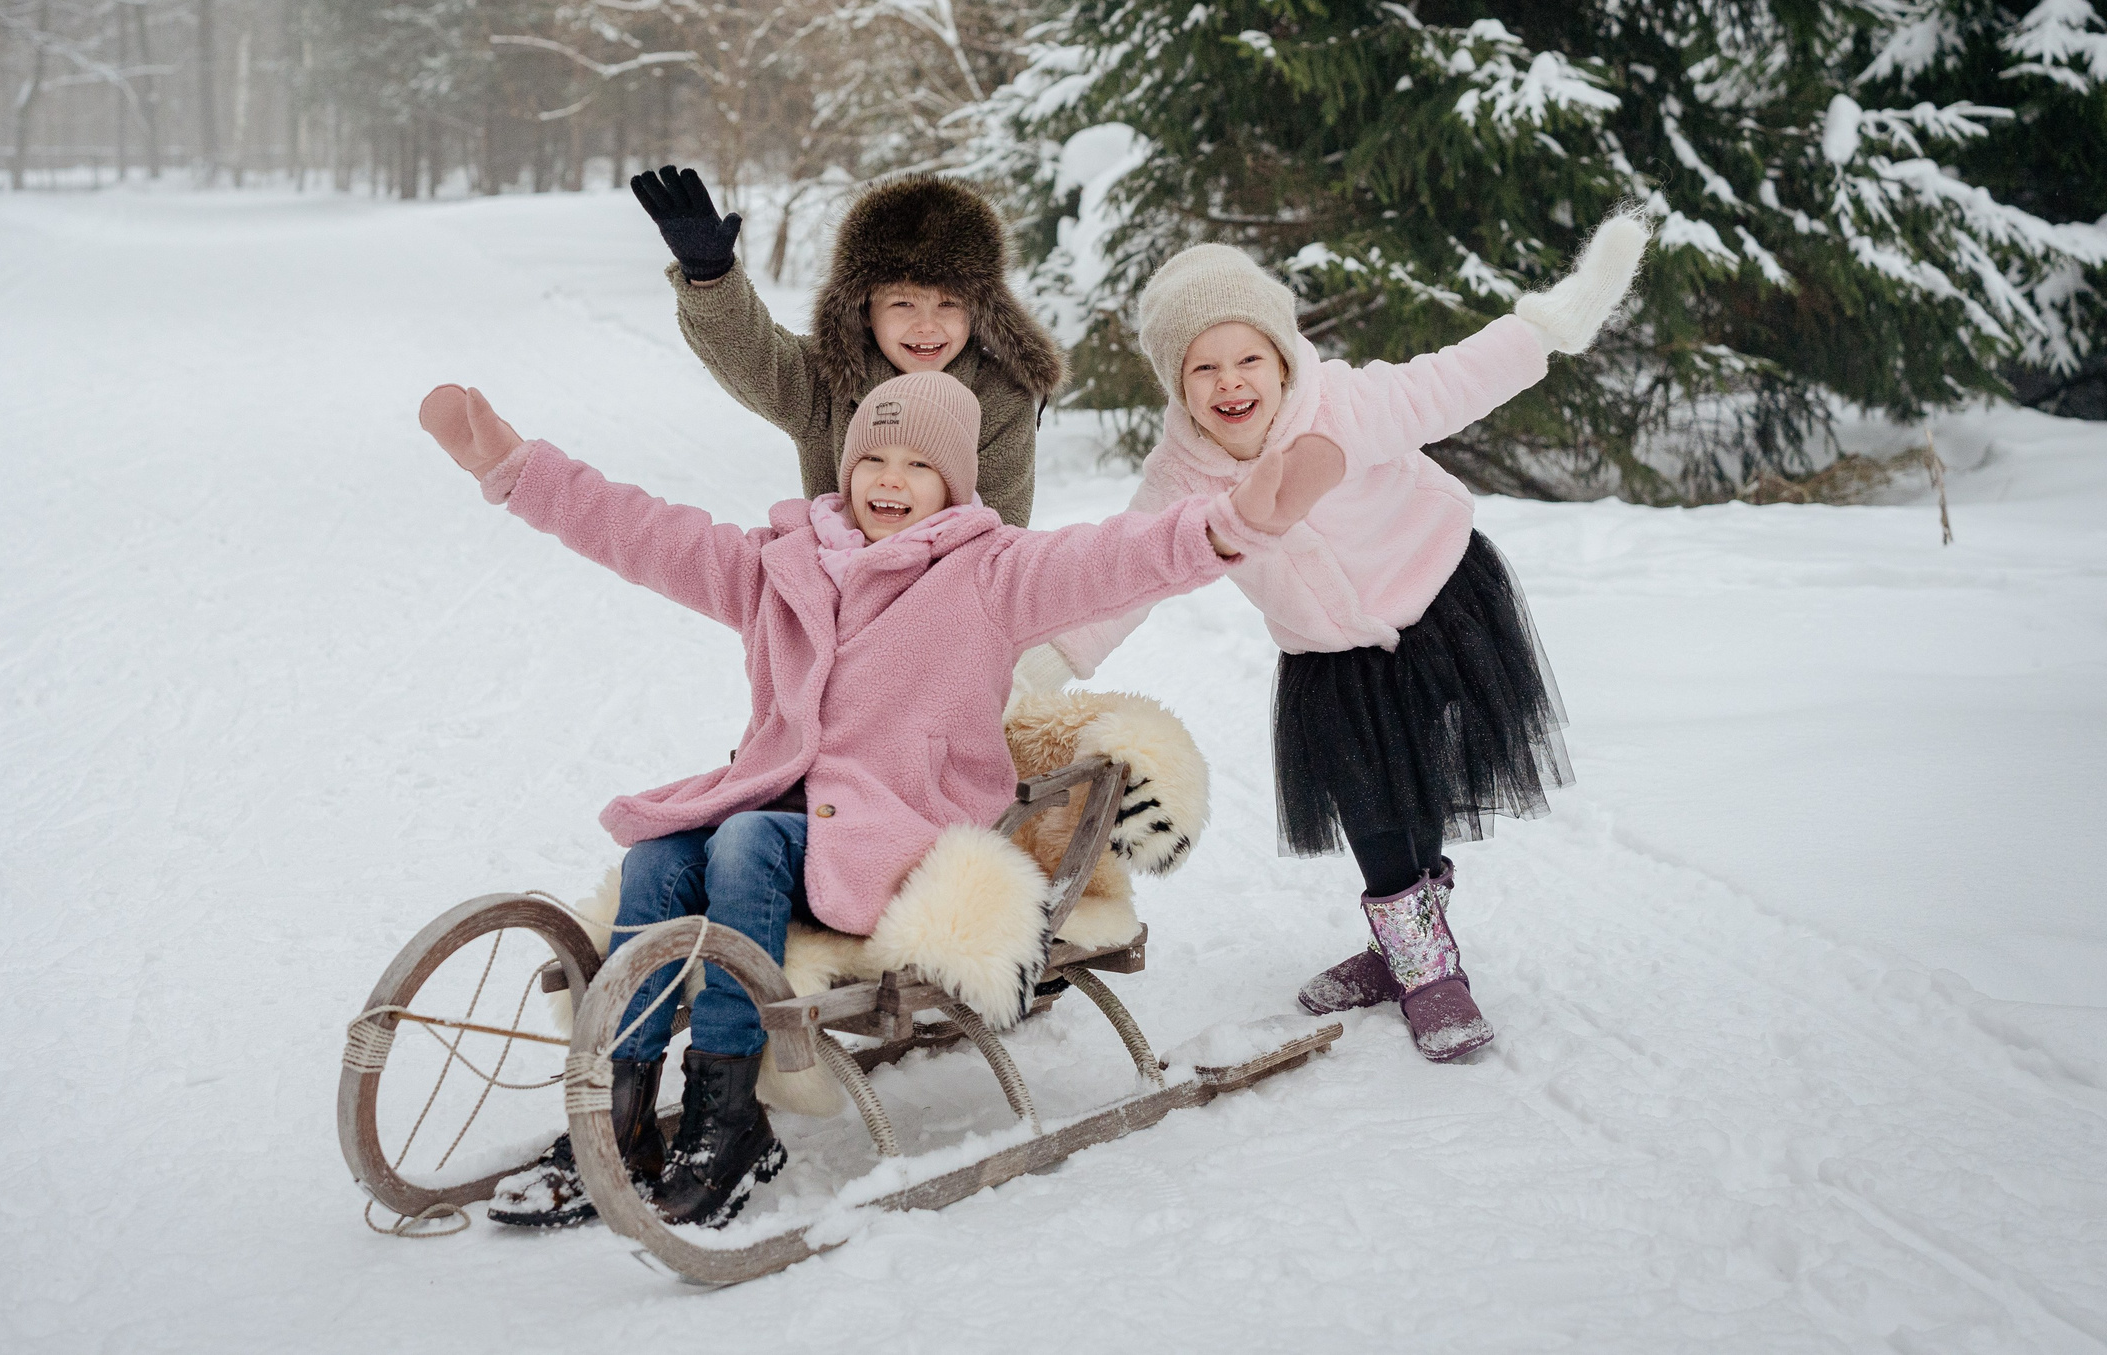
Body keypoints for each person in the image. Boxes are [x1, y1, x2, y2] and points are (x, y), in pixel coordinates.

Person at [416, 368, 1340, 1226]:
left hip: (899, 839)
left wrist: (1228, 525)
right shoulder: (780, 564)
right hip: (784, 822)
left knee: (739, 846)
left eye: (917, 466)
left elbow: (1111, 559)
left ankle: (730, 1112)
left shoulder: (989, 575)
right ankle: (615, 1113)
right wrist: (515, 468)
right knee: (659, 855)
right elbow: (644, 532)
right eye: (873, 460)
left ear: (955, 485)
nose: (889, 481)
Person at [1025, 216, 1649, 1061]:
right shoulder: (1183, 473)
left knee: (1420, 784)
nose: (1230, 382)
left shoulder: (1345, 405)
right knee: (1371, 804)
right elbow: (1136, 569)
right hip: (1329, 651)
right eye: (1202, 367)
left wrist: (1548, 325)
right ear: (1178, 385)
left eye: (1248, 357)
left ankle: (1426, 967)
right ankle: (1411, 953)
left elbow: (1452, 381)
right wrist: (1051, 658)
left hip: (1438, 601)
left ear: (1282, 358)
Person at [628, 165, 1062, 528]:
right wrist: (711, 275)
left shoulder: (1002, 396)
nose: (926, 326)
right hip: (832, 604)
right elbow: (750, 352)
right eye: (902, 302)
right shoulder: (828, 382)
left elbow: (999, 538)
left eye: (949, 303)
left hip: (949, 614)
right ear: (863, 308)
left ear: (981, 309)